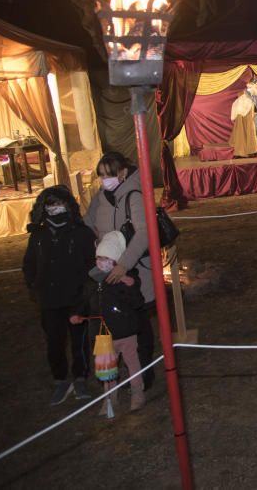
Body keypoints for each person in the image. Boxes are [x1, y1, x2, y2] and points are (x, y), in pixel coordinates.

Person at [85, 152, 156, 391]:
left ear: (123, 172)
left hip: (135, 273)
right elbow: (88, 224)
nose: (105, 179)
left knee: (140, 325)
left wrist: (124, 264)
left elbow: (144, 233)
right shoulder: (99, 199)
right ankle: (128, 372)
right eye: (101, 175)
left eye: (110, 174)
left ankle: (143, 374)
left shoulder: (135, 196)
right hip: (109, 273)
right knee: (118, 324)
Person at [23, 185, 95, 405]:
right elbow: (29, 264)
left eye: (58, 203)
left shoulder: (81, 233)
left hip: (75, 298)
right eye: (50, 205)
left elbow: (89, 266)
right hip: (49, 300)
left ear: (68, 205)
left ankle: (80, 377)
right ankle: (60, 379)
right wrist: (35, 286)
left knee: (79, 341)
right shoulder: (38, 235)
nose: (55, 209)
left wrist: (83, 298)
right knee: (54, 341)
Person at [71, 230, 146, 413]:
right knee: (108, 369)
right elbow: (84, 299)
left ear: (116, 260)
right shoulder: (93, 280)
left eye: (107, 258)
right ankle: (110, 398)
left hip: (126, 332)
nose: (101, 262)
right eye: (100, 257)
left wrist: (130, 287)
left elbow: (138, 303)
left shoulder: (127, 278)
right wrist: (77, 313)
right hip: (104, 336)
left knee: (132, 363)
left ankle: (137, 392)